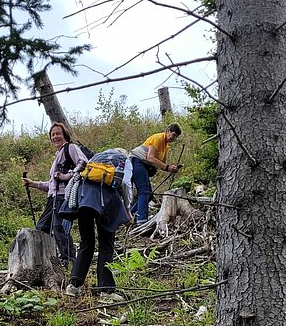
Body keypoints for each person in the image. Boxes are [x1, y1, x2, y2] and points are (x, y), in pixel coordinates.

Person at [61, 149, 133, 299]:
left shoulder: (96, 158)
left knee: (86, 242)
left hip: (83, 199)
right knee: (106, 244)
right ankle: (106, 290)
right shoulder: (124, 160)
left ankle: (73, 285)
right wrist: (127, 210)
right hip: (105, 201)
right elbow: (125, 183)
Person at [22, 122, 87, 266]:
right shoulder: (58, 155)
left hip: (65, 195)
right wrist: (33, 183)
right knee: (42, 227)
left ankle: (69, 260)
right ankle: (46, 259)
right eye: (52, 134)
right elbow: (52, 185)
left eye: (58, 133)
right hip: (53, 197)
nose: (55, 136)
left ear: (64, 135)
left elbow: (83, 163)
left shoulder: (70, 148)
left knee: (59, 227)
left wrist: (67, 176)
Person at [129, 123, 182, 225]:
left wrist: (171, 168)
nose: (174, 138)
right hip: (137, 161)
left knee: (149, 195)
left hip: (143, 165)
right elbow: (150, 157)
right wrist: (167, 167)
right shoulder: (158, 138)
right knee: (144, 191)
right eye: (174, 135)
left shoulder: (165, 146)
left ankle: (129, 215)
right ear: (168, 131)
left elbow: (161, 163)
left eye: (176, 137)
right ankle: (142, 221)